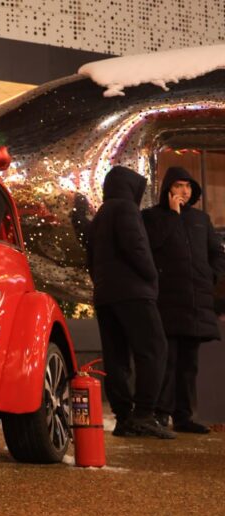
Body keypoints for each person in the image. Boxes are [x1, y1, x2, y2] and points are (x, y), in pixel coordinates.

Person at [85, 166, 173, 439]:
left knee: (116, 357)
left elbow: (90, 258)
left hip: (105, 295)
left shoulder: (101, 214)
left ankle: (123, 417)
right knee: (154, 350)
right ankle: (144, 415)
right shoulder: (126, 209)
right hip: (134, 292)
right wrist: (152, 276)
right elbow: (136, 247)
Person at [142, 167, 225, 434]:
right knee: (166, 360)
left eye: (188, 186)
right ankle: (160, 413)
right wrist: (173, 217)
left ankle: (184, 416)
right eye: (178, 185)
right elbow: (150, 246)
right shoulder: (152, 217)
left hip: (195, 301)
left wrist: (211, 275)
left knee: (189, 364)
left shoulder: (201, 219)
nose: (184, 191)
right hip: (166, 299)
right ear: (168, 188)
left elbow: (217, 253)